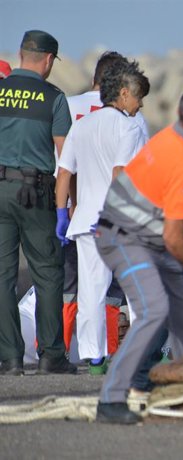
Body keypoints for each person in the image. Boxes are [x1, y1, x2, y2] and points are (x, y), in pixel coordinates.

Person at [94, 86, 183, 424]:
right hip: (121, 238)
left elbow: (178, 205)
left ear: (180, 114)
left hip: (146, 237)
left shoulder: (170, 139)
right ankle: (112, 398)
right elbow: (174, 238)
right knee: (155, 309)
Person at [55, 57, 149, 375]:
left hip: (83, 220)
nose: (140, 105)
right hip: (119, 220)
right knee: (136, 290)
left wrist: (61, 213)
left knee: (90, 291)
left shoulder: (80, 125)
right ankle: (139, 355)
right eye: (138, 97)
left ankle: (94, 359)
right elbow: (121, 174)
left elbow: (65, 172)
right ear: (122, 93)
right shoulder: (130, 126)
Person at [0, 30, 75, 375]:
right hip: (36, 195)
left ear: (21, 54)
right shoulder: (53, 98)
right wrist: (68, 206)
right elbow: (66, 158)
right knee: (47, 274)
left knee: (2, 276)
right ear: (47, 60)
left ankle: (11, 358)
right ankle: (51, 355)